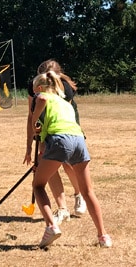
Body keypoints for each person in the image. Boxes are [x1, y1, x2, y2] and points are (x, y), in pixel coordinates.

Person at [31, 71, 112, 248]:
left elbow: (42, 100)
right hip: (78, 140)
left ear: (39, 88)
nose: (34, 94)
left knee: (38, 185)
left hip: (61, 140)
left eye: (34, 91)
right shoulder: (65, 104)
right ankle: (103, 236)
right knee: (88, 191)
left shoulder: (43, 96)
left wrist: (33, 121)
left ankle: (51, 226)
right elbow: (48, 137)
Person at [23, 59, 87, 225]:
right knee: (49, 165)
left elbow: (63, 113)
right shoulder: (34, 86)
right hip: (44, 123)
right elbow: (32, 114)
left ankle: (79, 195)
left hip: (64, 125)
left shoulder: (66, 88)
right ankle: (62, 208)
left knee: (68, 164)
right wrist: (30, 145)